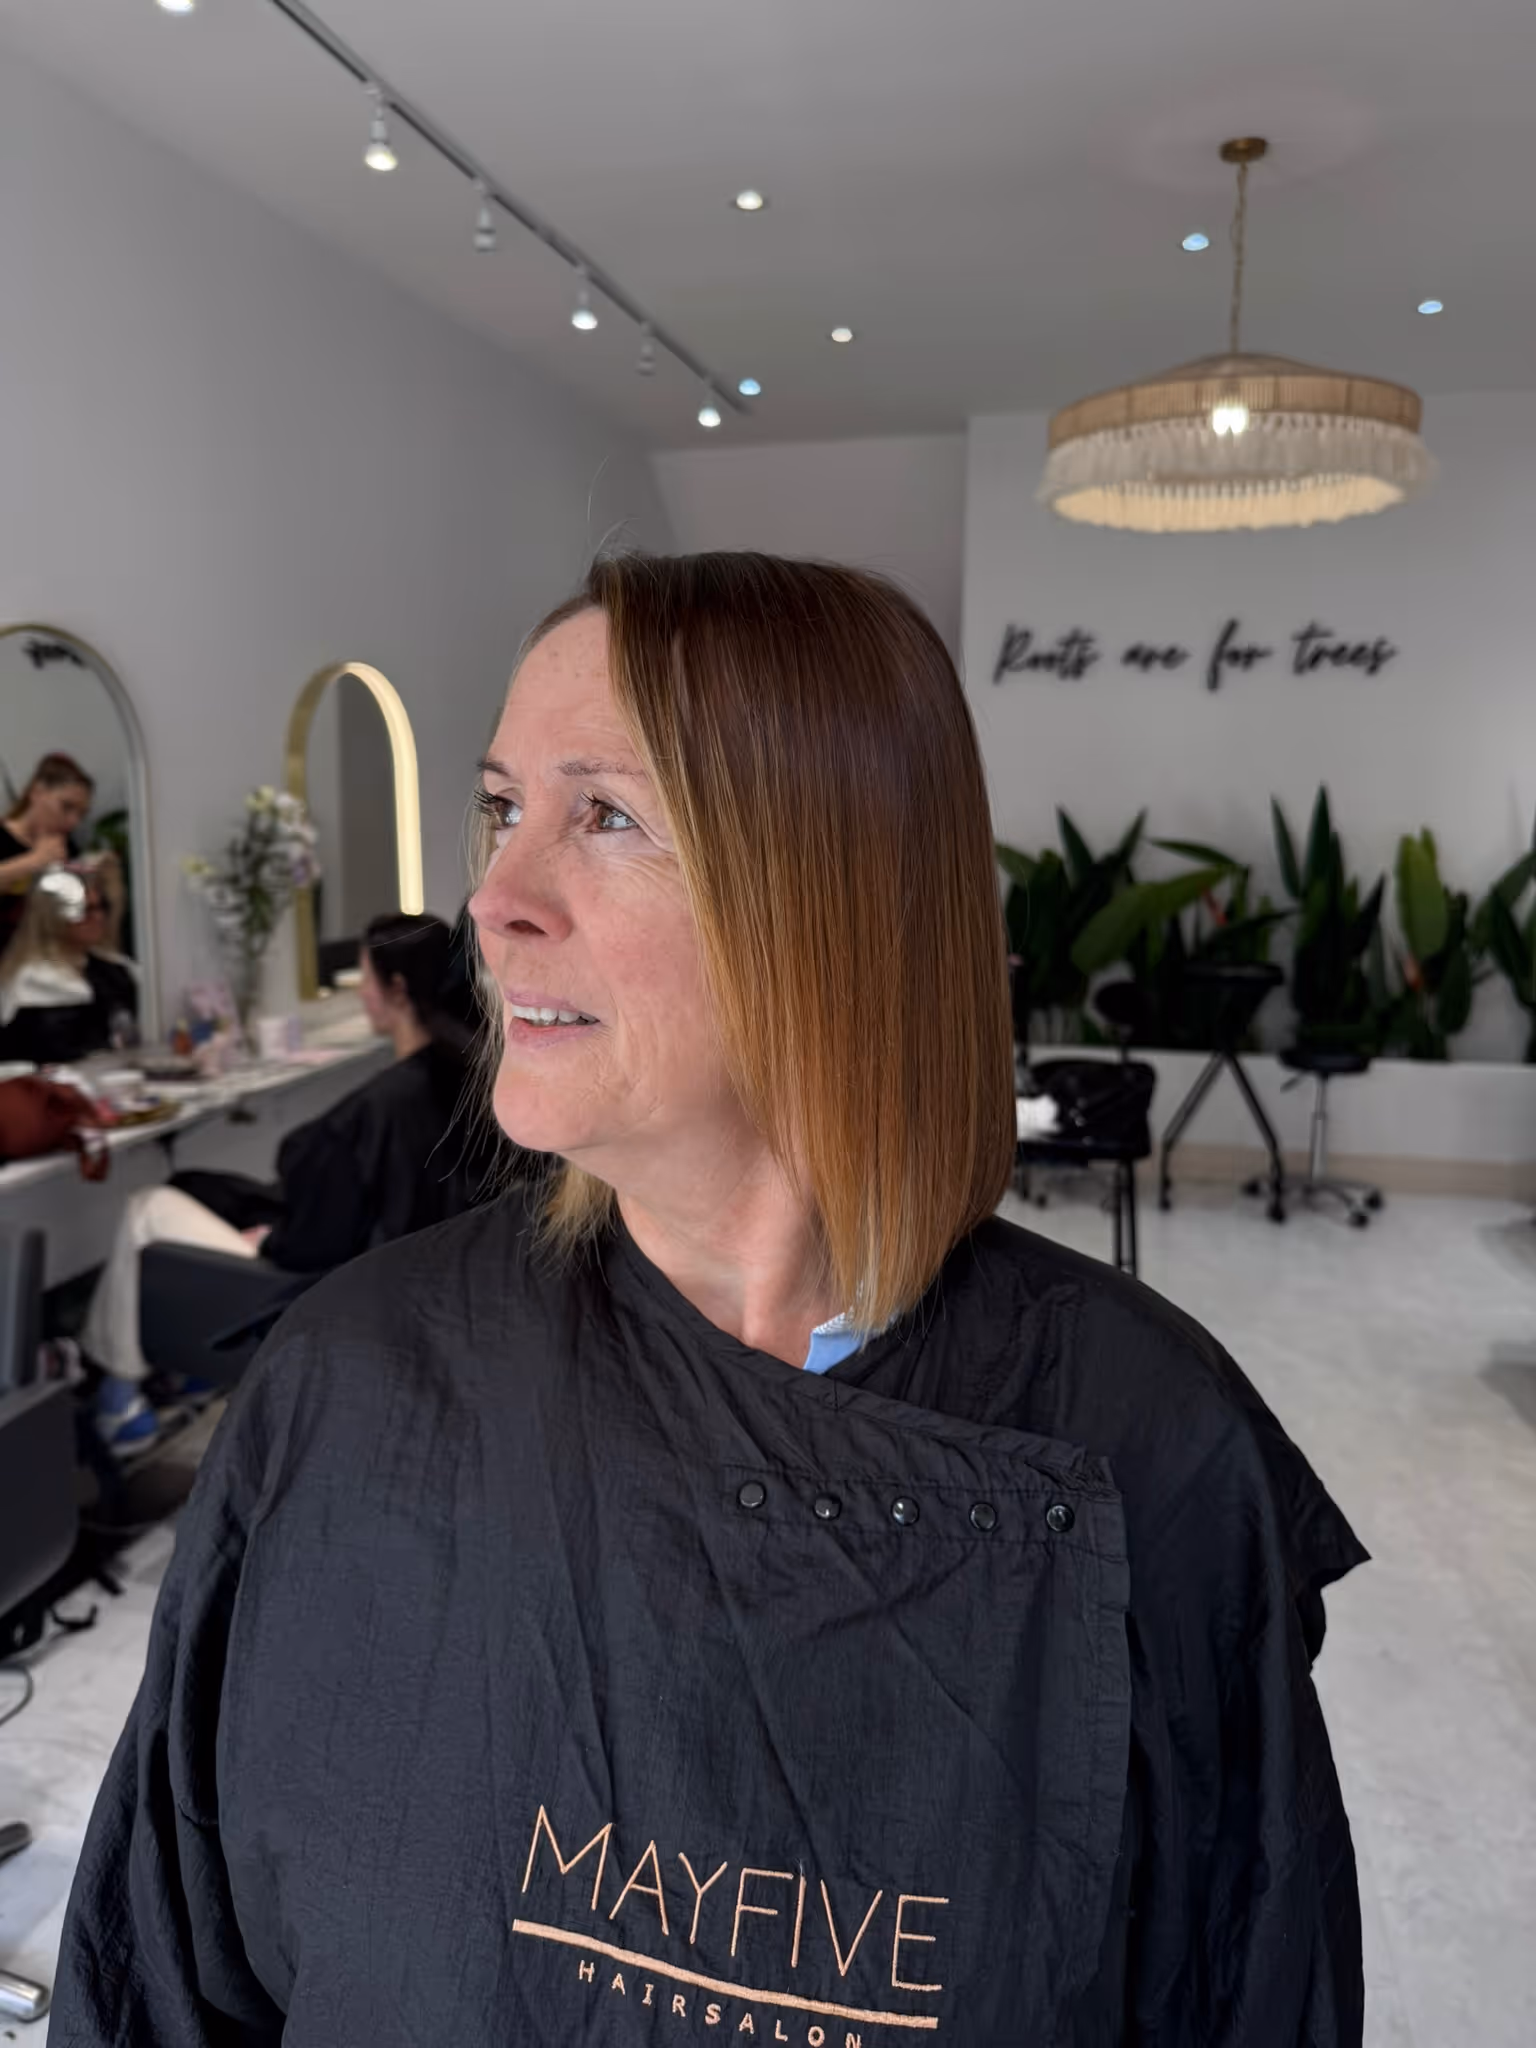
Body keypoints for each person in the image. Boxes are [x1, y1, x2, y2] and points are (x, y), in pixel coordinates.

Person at [53, 554, 1367, 2045]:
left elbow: (1252, 1997)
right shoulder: (348, 1381)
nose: (492, 902)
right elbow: (156, 1980)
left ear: (838, 890)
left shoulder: (1154, 1444)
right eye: (502, 808)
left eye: (602, 816)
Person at [81, 911, 491, 1455]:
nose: (361, 995)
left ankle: (120, 1396)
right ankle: (152, 1384)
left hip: (318, 1299)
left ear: (394, 989)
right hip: (421, 1289)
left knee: (146, 1207)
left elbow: (312, 1245)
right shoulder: (475, 1076)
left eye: (365, 979)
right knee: (200, 1185)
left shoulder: (374, 1112)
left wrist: (270, 1240)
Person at [0, 863, 137, 1068]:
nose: (98, 918)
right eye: (85, 910)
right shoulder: (34, 979)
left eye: (101, 907)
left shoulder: (115, 968)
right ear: (54, 916)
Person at [0, 752, 94, 956]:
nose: (73, 822)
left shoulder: (70, 849)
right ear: (37, 792)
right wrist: (34, 861)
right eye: (66, 807)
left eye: (81, 814)